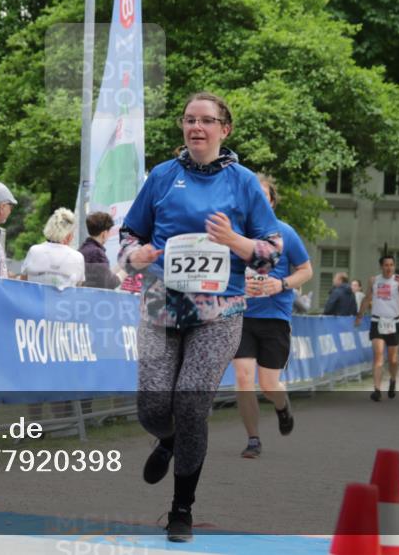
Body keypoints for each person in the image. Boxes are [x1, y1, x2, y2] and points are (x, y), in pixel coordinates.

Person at [119, 92, 281, 542]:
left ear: (224, 129)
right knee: (153, 407)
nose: (196, 127)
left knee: (191, 405)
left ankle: (181, 508)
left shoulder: (244, 182)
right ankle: (167, 439)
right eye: (189, 120)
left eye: (206, 121)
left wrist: (236, 241)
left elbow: (271, 252)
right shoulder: (163, 176)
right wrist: (137, 253)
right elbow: (129, 233)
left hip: (220, 310)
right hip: (161, 305)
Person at [233, 174, 312, 459]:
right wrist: (238, 286)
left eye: (262, 195)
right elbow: (221, 273)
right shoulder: (236, 233)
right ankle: (253, 439)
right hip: (241, 316)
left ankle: (282, 405)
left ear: (271, 201)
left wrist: (281, 284)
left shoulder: (284, 233)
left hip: (275, 317)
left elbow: (306, 270)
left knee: (268, 384)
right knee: (243, 378)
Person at [355, 255, 399, 402]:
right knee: (379, 356)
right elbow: (367, 298)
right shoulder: (374, 280)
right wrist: (360, 315)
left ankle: (393, 380)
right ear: (381, 266)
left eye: (391, 265)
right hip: (377, 321)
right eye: (386, 265)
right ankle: (377, 390)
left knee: (393, 359)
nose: (389, 268)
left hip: (393, 323)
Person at [22, 208, 85, 289]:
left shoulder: (34, 251)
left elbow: (23, 281)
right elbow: (79, 287)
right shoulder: (78, 257)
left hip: (34, 299)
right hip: (62, 301)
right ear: (69, 236)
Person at [78, 211, 121, 289]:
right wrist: (126, 271)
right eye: (109, 232)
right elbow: (109, 283)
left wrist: (121, 266)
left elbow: (103, 275)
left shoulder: (82, 249)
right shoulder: (97, 253)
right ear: (104, 234)